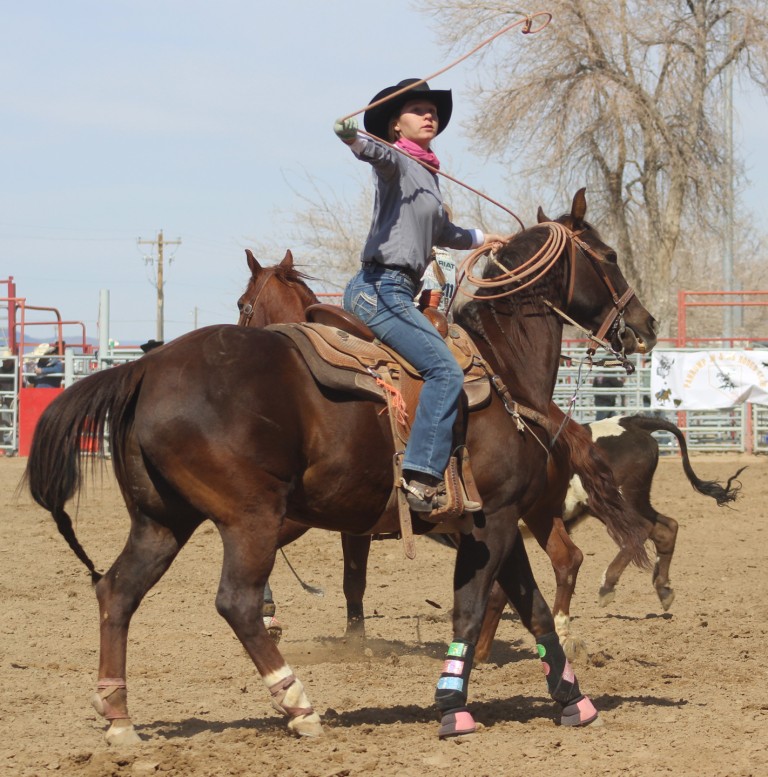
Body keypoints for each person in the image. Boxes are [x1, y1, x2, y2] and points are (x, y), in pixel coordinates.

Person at [334, 78, 507, 514]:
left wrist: (484, 237)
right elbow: (372, 154)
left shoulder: (428, 175)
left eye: (432, 110)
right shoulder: (396, 160)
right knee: (446, 373)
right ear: (395, 126)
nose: (429, 114)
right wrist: (351, 135)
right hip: (381, 289)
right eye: (417, 109)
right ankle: (421, 475)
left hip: (395, 290)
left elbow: (444, 232)